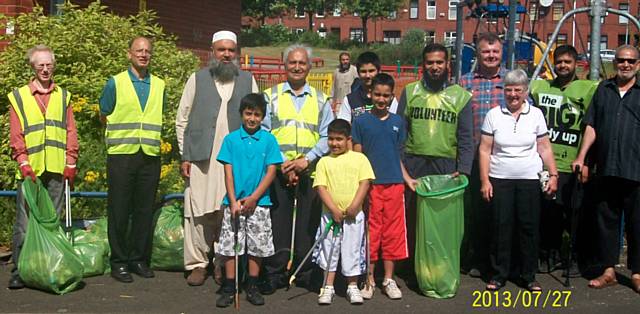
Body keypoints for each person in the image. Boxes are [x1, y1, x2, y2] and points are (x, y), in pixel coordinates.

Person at [175, 30, 259, 286]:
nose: (226, 54)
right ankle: (197, 264)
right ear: (213, 52)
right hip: (201, 157)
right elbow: (182, 119)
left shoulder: (247, 80)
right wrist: (185, 154)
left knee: (228, 210)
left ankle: (222, 262)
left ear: (236, 53)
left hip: (234, 161)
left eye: (230, 50)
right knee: (198, 211)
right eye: (221, 50)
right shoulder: (197, 79)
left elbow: (258, 119)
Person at [260, 44, 334, 294]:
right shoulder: (270, 96)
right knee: (277, 223)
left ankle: (304, 272)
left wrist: (306, 161)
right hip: (279, 171)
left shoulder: (321, 99)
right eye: (292, 62)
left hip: (309, 170)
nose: (297, 67)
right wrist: (283, 163)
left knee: (307, 224)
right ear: (284, 65)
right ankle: (275, 273)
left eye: (302, 63)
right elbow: (264, 131)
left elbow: (327, 135)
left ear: (310, 67)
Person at [397, 43, 473, 280]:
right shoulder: (410, 92)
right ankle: (410, 267)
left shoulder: (461, 96)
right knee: (412, 217)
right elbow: (399, 132)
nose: (435, 67)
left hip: (445, 165)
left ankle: (439, 268)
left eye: (439, 62)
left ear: (448, 64)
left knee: (441, 221)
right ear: (423, 65)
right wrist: (401, 167)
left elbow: (466, 138)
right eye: (430, 62)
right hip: (414, 162)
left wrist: (464, 170)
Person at [479, 69, 558, 291]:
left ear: (525, 92)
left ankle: (528, 275)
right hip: (500, 178)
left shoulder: (536, 115)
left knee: (528, 227)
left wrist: (553, 174)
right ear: (503, 90)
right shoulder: (493, 114)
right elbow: (485, 150)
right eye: (509, 90)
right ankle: (499, 274)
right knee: (500, 227)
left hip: (529, 180)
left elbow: (544, 147)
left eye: (518, 90)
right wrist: (485, 180)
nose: (513, 94)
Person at [7, 45, 78, 289]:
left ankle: (48, 266)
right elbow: (16, 135)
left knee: (52, 221)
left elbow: (70, 131)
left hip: (57, 168)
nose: (45, 69)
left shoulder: (63, 96)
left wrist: (71, 161)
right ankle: (20, 270)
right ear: (33, 67)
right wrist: (23, 162)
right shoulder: (19, 97)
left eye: (49, 65)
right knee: (25, 223)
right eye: (41, 65)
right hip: (31, 170)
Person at [571, 45, 640, 293]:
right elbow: (591, 125)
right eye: (621, 60)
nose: (625, 65)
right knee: (606, 221)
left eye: (630, 61)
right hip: (607, 166)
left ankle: (637, 272)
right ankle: (608, 270)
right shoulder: (604, 89)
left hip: (636, 169)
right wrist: (582, 157)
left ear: (638, 65)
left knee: (637, 223)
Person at [530, 45, 599, 275]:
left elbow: (592, 126)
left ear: (576, 63)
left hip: (572, 162)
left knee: (574, 213)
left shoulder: (588, 89)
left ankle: (574, 257)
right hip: (546, 163)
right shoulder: (541, 87)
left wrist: (587, 160)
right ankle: (546, 254)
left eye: (567, 62)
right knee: (547, 214)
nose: (562, 66)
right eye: (559, 61)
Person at [100, 36, 164, 283]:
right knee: (119, 210)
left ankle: (138, 259)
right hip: (121, 156)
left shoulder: (159, 84)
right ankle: (119, 262)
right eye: (139, 50)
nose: (144, 54)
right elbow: (104, 114)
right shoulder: (114, 83)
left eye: (148, 51)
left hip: (149, 155)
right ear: (129, 54)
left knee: (144, 210)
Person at [215, 93, 283, 307]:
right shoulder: (231, 140)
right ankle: (229, 285)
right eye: (248, 114)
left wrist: (255, 197)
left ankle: (252, 284)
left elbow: (271, 171)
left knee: (257, 246)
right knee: (230, 245)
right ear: (241, 114)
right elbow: (228, 172)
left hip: (259, 203)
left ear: (263, 116)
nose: (252, 119)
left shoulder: (269, 139)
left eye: (257, 115)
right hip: (234, 202)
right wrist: (233, 201)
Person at [352, 73, 411, 300]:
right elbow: (358, 158)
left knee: (393, 233)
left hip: (395, 185)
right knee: (371, 232)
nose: (381, 99)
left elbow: (398, 155)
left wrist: (407, 178)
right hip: (372, 186)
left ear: (392, 97)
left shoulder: (398, 122)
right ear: (370, 94)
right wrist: (360, 187)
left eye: (386, 95)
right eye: (377, 94)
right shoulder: (361, 122)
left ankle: (388, 279)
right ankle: (369, 279)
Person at [458, 32, 507, 278]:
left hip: (504, 160)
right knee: (475, 211)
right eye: (486, 52)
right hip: (475, 158)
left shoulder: (511, 81)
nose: (490, 56)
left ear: (502, 53)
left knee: (500, 213)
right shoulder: (464, 83)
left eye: (495, 52)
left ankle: (498, 260)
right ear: (477, 54)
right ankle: (476, 258)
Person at [313, 119, 375, 305]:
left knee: (352, 250)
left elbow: (365, 182)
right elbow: (321, 187)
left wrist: (356, 205)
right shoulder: (324, 161)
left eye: (339, 139)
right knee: (329, 250)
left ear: (348, 139)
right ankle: (328, 286)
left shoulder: (360, 159)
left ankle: (352, 286)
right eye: (331, 139)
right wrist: (333, 209)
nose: (334, 143)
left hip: (353, 216)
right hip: (331, 215)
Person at [336, 51, 399, 122]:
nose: (367, 75)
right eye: (363, 71)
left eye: (371, 71)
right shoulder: (350, 99)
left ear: (379, 71)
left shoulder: (390, 99)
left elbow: (395, 123)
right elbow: (343, 127)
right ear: (358, 73)